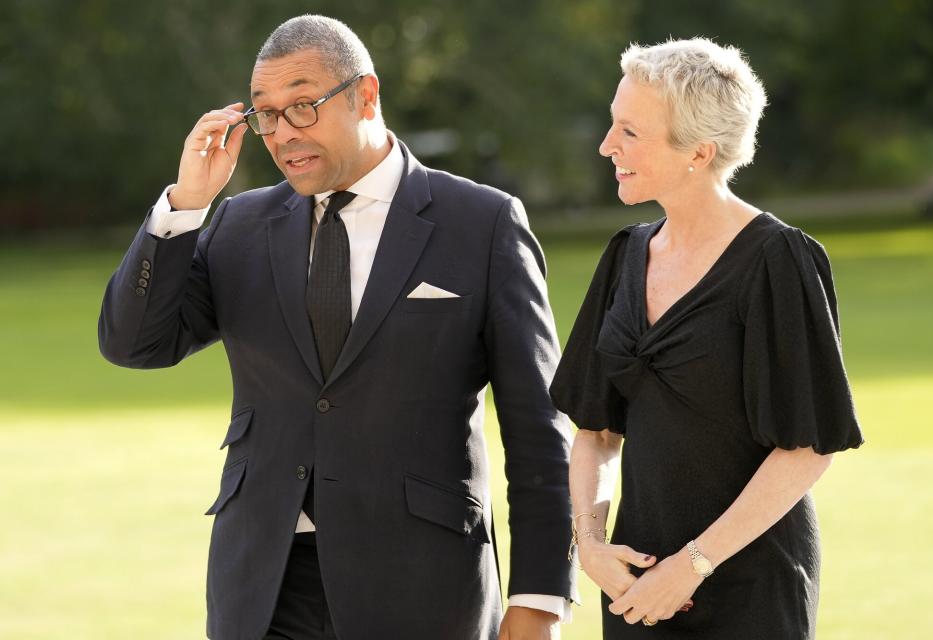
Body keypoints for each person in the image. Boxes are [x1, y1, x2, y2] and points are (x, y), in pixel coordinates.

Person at [98, 15, 576, 640]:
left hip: (424, 585)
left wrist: (540, 599)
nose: (281, 133)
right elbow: (136, 344)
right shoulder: (238, 224)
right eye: (265, 114)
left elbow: (541, 429)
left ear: (366, 94)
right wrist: (185, 208)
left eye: (303, 106)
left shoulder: (481, 223)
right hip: (262, 588)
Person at [550, 38, 863, 639]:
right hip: (636, 584)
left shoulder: (779, 260)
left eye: (630, 132)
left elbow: (806, 449)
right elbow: (595, 431)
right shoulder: (624, 256)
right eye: (613, 125)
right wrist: (590, 545)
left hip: (750, 589)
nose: (606, 146)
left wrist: (692, 566)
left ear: (698, 151)